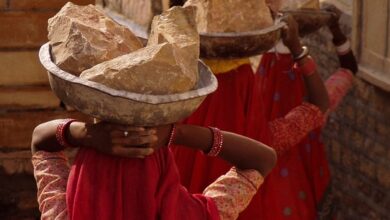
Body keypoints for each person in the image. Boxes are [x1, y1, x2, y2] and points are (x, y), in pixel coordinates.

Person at [172, 11, 331, 219]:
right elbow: (318, 105)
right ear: (250, 98)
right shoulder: (265, 143)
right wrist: (296, 48)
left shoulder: (164, 141)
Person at [32, 120, 277, 219]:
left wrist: (85, 134)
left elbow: (41, 143)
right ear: (162, 175)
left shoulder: (61, 214)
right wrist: (177, 133)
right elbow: (262, 160)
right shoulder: (194, 216)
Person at [255, 4, 358, 219]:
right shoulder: (318, 108)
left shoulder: (251, 134)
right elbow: (348, 68)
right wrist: (335, 29)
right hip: (308, 192)